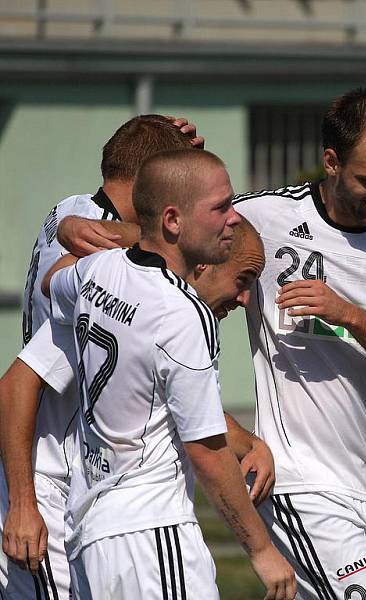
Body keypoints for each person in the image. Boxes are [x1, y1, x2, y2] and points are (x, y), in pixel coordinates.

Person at [42, 149, 295, 598]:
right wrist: (263, 552)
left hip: (89, 530)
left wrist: (75, 233)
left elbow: (52, 281)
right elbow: (208, 452)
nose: (234, 219)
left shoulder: (99, 270)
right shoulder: (183, 312)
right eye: (221, 207)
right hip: (152, 534)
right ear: (174, 221)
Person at [231, 88, 366, 598]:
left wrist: (348, 314)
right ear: (331, 162)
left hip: (362, 486)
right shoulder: (264, 218)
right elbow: (160, 238)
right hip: (295, 481)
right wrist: (75, 224)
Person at [2, 114, 197, 598]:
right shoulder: (97, 254)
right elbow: (19, 382)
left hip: (68, 484)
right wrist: (23, 503)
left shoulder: (73, 212)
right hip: (44, 482)